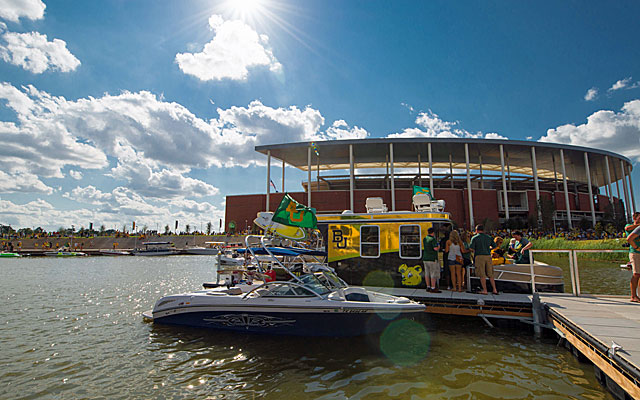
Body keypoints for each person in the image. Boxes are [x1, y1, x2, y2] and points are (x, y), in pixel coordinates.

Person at [469, 224, 498, 295]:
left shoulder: (475, 238)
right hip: (488, 256)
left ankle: (485, 290)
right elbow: (494, 246)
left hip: (479, 256)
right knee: (490, 274)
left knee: (482, 274)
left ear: (476, 230)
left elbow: (471, 248)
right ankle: (494, 289)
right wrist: (488, 248)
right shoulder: (489, 237)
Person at [626, 213, 640, 303]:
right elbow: (627, 230)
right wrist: (636, 247)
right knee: (636, 274)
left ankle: (637, 295)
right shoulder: (629, 226)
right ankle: (633, 295)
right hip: (635, 252)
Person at [422, 227, 441, 293]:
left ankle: (428, 287)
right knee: (433, 273)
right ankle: (433, 288)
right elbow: (435, 248)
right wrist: (439, 246)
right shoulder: (433, 239)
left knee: (427, 273)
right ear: (433, 233)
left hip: (425, 258)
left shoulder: (425, 239)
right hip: (432, 259)